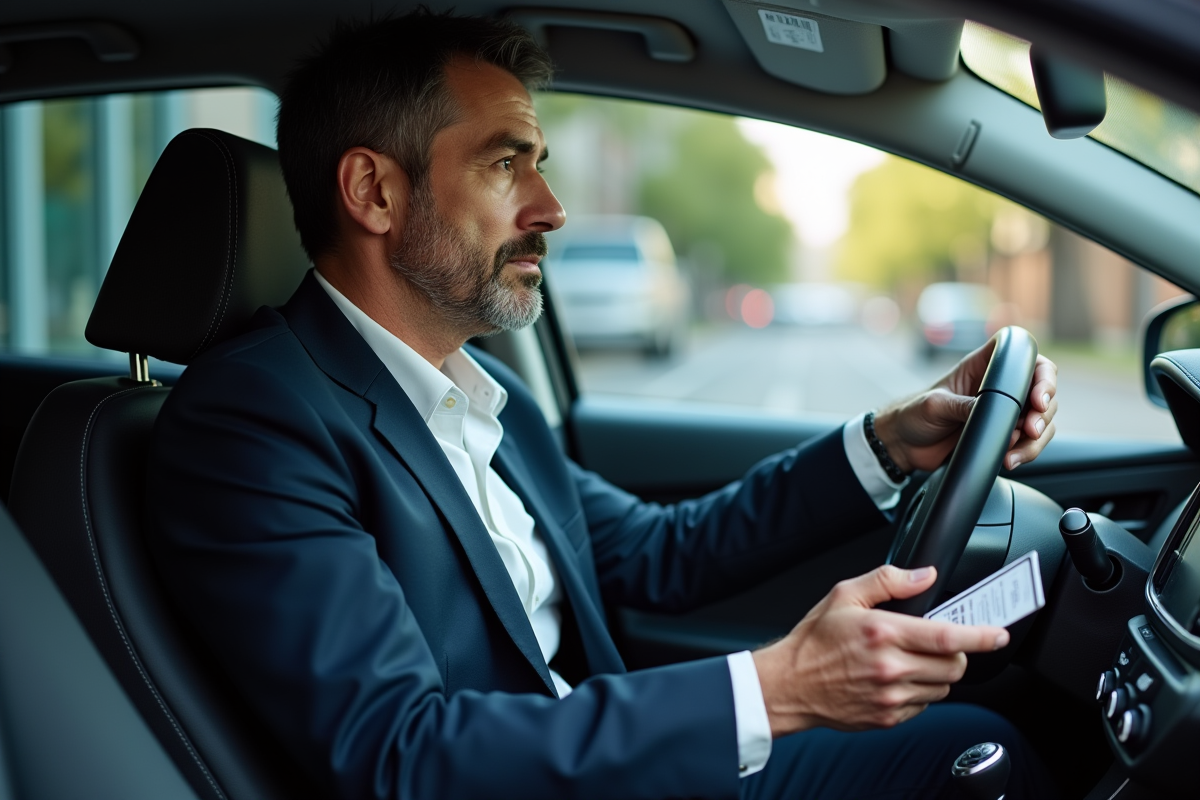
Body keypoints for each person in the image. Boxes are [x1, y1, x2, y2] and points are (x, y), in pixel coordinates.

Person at [147, 10, 1060, 800]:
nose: (551, 207)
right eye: (507, 164)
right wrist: (778, 687)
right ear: (373, 192)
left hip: (605, 764)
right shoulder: (255, 422)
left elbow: (657, 554)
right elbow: (399, 758)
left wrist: (890, 444)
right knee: (983, 760)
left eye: (539, 164)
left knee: (974, 744)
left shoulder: (478, 400)